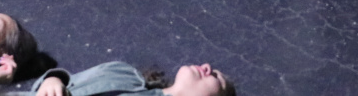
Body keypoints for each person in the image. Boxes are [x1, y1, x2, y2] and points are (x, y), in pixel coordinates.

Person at [30, 62, 234, 96]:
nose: (207, 67)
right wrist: (52, 80)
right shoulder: (121, 71)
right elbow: (67, 79)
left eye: (216, 77)